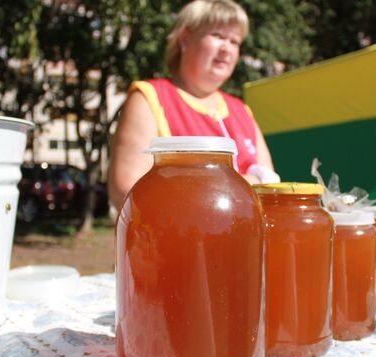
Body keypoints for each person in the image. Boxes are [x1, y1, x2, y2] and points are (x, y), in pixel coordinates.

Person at [107, 0, 279, 211]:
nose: (227, 48)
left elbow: (272, 188)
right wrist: (246, 183)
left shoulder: (241, 110)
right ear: (186, 39)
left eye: (234, 41)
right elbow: (127, 190)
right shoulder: (150, 97)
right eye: (217, 36)